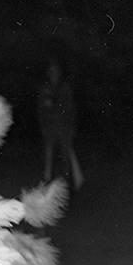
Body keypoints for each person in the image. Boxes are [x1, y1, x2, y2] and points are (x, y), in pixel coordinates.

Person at [36, 56, 83, 190]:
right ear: (48, 73)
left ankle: (66, 183)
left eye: (55, 70)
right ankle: (47, 182)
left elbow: (71, 108)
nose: (53, 73)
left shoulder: (65, 87)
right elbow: (40, 110)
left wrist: (72, 127)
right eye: (51, 71)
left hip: (64, 127)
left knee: (65, 155)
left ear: (59, 72)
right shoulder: (45, 88)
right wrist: (43, 126)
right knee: (48, 156)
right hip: (50, 127)